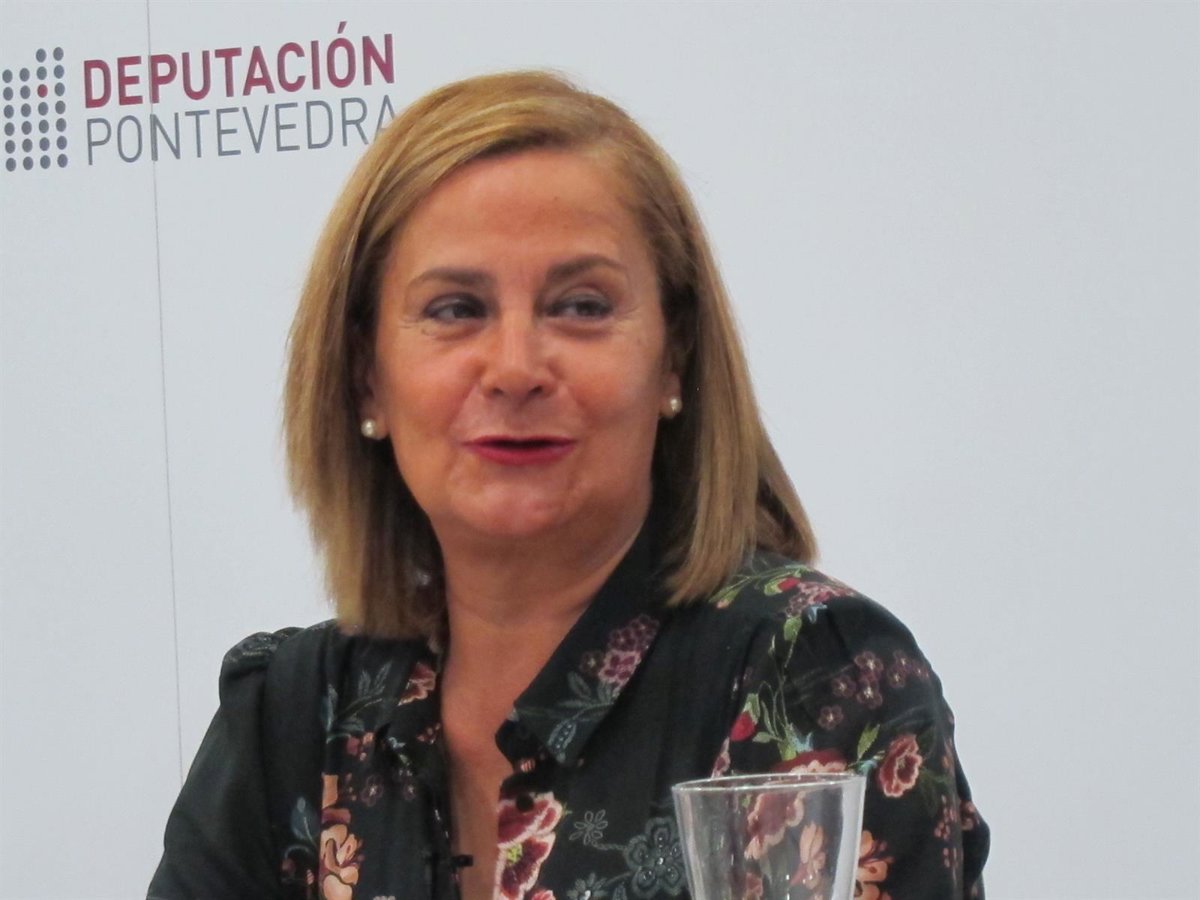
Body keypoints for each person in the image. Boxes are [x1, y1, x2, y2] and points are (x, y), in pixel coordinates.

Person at [148, 70, 988, 900]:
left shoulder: (812, 678)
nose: (515, 368)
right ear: (367, 377)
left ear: (674, 359)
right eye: (455, 309)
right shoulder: (293, 719)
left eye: (581, 306)